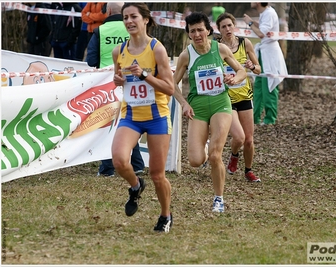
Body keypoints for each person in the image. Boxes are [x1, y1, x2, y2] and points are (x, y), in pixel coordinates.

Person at [172, 12, 247, 212]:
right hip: (198, 107)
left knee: (215, 155)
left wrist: (234, 79)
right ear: (188, 34)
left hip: (221, 104)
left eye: (200, 30)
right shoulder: (186, 55)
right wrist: (184, 104)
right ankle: (204, 149)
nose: (197, 34)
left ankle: (218, 199)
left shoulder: (220, 48)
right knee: (196, 161)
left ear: (208, 30)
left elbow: (241, 71)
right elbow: (172, 85)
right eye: (192, 31)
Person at [111, 3, 174, 232]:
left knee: (157, 174)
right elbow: (118, 79)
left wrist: (145, 74)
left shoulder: (157, 49)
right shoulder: (119, 51)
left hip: (157, 115)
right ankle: (136, 186)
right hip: (131, 115)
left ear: (145, 19)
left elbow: (169, 88)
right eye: (125, 17)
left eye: (133, 17)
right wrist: (118, 81)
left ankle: (165, 215)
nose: (129, 21)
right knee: (119, 160)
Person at [86, 1, 145, 176]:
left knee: (108, 125)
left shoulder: (100, 31)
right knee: (130, 121)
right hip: (134, 82)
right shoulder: (135, 27)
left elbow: (91, 60)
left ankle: (107, 168)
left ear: (108, 10)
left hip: (109, 83)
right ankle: (137, 164)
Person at [216, 12, 261, 182]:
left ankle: (248, 171)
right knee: (239, 137)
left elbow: (258, 69)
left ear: (234, 26)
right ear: (219, 30)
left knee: (249, 140)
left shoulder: (245, 43)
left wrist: (252, 66)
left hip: (244, 95)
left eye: (229, 25)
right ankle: (234, 155)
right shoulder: (216, 47)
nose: (227, 29)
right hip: (226, 97)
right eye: (223, 27)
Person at [243, 3, 288, 125]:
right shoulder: (265, 13)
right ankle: (255, 117)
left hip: (270, 54)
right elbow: (263, 28)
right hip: (263, 52)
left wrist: (250, 23)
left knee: (269, 86)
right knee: (258, 86)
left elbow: (261, 33)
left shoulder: (269, 13)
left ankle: (269, 119)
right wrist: (253, 22)